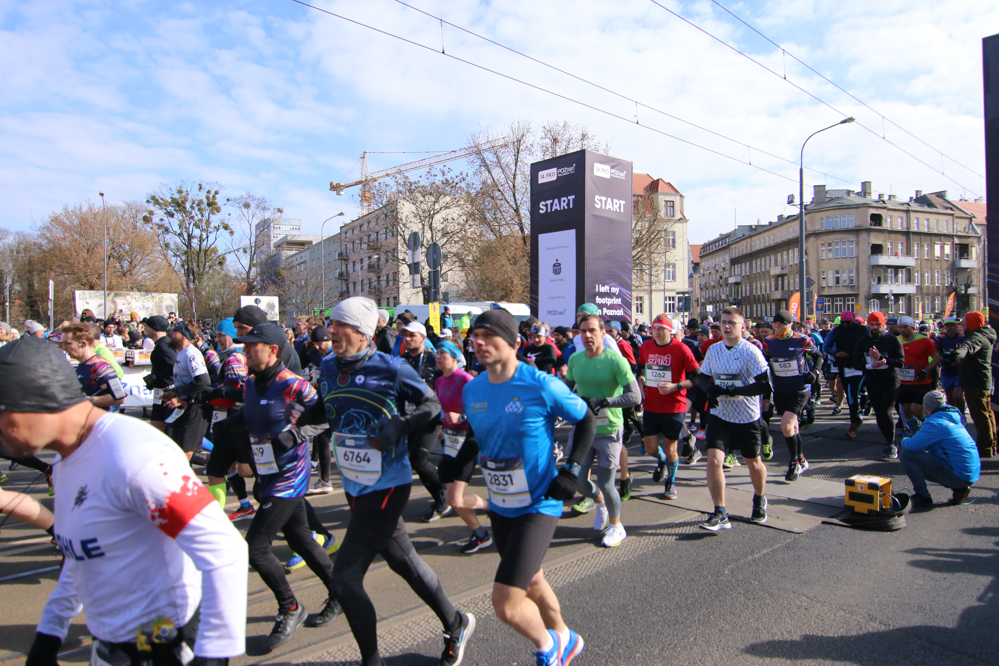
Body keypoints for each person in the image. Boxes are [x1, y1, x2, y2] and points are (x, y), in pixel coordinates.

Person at [4, 337, 247, 666]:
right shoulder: (63, 462)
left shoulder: (133, 455)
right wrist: (49, 636)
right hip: (111, 644)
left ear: (39, 399)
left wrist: (213, 654)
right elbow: (81, 556)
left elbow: (225, 550)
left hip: (168, 644)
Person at [289, 297, 475, 666]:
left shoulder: (391, 368)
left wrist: (400, 426)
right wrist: (301, 419)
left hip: (389, 484)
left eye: (340, 325)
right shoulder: (329, 366)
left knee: (344, 579)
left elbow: (432, 405)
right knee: (403, 562)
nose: (331, 331)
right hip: (355, 484)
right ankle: (456, 622)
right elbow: (327, 407)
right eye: (332, 324)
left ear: (362, 333)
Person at [457, 307, 593, 666]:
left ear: (513, 343)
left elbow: (586, 419)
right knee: (532, 581)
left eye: (488, 335)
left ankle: (548, 647)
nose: (479, 342)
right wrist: (456, 468)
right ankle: (565, 636)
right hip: (501, 504)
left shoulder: (540, 384)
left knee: (505, 602)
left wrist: (571, 470)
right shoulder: (473, 389)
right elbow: (475, 436)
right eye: (475, 336)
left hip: (539, 504)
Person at [212, 322, 336, 653]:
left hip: (289, 476)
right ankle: (341, 592)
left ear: (273, 350)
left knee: (255, 548)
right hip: (266, 473)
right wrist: (225, 427)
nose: (245, 351)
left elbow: (325, 418)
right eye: (243, 345)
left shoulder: (294, 385)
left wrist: (296, 435)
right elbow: (250, 416)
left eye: (251, 346)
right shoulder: (252, 383)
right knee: (301, 539)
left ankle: (290, 607)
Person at [565, 314, 640, 547]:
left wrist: (605, 401)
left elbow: (635, 397)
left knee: (607, 484)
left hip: (609, 430)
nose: (587, 335)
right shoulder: (575, 359)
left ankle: (617, 527)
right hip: (582, 429)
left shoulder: (615, 360)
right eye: (583, 331)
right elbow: (566, 391)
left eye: (592, 331)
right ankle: (600, 503)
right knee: (577, 481)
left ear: (603, 333)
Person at [695, 307, 771, 532]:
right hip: (720, 416)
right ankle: (720, 512)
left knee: (753, 463)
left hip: (747, 417)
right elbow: (702, 377)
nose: (727, 326)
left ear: (742, 327)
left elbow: (764, 385)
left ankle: (759, 498)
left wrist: (733, 391)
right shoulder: (714, 349)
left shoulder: (751, 351)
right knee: (713, 461)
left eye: (732, 323)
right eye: (723, 322)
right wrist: (711, 390)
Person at [434, 339, 492, 554]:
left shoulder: (466, 380)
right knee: (453, 499)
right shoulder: (439, 382)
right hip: (450, 442)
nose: (438, 356)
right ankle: (480, 535)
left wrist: (461, 417)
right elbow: (443, 409)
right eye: (437, 352)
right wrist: (442, 427)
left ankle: (493, 507)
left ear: (454, 357)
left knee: (455, 498)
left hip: (469, 439)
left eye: (443, 353)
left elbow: (485, 410)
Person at [638, 315, 700, 500]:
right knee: (650, 448)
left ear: (669, 330)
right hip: (651, 405)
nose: (656, 332)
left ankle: (671, 482)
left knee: (670, 448)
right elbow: (641, 366)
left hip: (674, 406)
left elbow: (697, 377)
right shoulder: (646, 346)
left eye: (660, 329)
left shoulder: (681, 349)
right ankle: (662, 460)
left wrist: (676, 386)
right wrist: (641, 380)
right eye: (654, 328)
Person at [202, 318, 255, 520]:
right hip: (226, 420)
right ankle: (240, 508)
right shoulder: (229, 355)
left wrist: (212, 393)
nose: (217, 340)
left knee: (250, 470)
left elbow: (236, 392)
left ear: (231, 336)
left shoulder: (234, 357)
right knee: (217, 468)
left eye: (220, 335)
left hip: (237, 420)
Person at [399, 320, 451, 522]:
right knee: (414, 460)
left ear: (423, 337)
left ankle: (443, 495)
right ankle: (440, 497)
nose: (407, 339)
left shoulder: (433, 357)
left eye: (412, 335)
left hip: (431, 415)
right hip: (410, 417)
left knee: (418, 460)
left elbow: (449, 379)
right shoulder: (401, 360)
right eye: (405, 335)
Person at [762, 310, 822, 481]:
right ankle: (801, 459)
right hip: (780, 388)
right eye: (775, 324)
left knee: (786, 426)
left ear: (790, 325)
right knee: (792, 428)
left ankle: (794, 463)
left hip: (800, 388)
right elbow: (764, 362)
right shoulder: (768, 342)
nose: (778, 327)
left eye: (782, 324)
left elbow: (818, 355)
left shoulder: (802, 339)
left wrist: (815, 373)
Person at [900, 390, 981, 507]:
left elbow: (912, 446)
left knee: (906, 455)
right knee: (928, 453)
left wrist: (904, 440)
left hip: (960, 476)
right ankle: (960, 489)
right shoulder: (951, 418)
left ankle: (923, 497)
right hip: (970, 473)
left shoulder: (935, 423)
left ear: (926, 407)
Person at [853, 311, 905, 459]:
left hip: (890, 380)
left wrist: (883, 359)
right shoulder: (863, 342)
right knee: (879, 413)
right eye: (872, 324)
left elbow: (900, 362)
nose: (875, 327)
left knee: (886, 411)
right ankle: (888, 440)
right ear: (868, 325)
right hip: (873, 380)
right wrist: (871, 366)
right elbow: (855, 363)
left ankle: (891, 444)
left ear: (883, 325)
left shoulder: (893, 340)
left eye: (878, 324)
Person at [161, 321, 211, 462]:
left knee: (185, 452)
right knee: (178, 450)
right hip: (185, 407)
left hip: (195, 407)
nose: (170, 333)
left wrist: (183, 398)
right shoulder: (181, 353)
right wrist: (175, 394)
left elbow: (203, 381)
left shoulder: (191, 353)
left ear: (184, 335)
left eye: (175, 331)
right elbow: (187, 381)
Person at [953, 311, 997, 458]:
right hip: (982, 381)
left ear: (971, 323)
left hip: (975, 383)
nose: (962, 325)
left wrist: (957, 354)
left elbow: (967, 347)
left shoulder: (976, 337)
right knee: (987, 414)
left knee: (981, 417)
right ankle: (991, 445)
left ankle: (985, 448)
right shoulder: (985, 334)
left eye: (964, 323)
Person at [59, 324, 127, 409]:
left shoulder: (100, 365)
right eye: (62, 344)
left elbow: (120, 398)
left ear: (83, 344)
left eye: (67, 343)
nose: (63, 347)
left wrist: (83, 400)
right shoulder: (83, 364)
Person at [827, 311, 870, 437]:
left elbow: (871, 343)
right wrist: (836, 353)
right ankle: (857, 417)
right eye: (843, 323)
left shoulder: (863, 330)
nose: (845, 325)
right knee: (849, 392)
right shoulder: (835, 332)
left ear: (853, 320)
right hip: (844, 366)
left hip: (859, 366)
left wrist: (866, 356)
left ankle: (854, 423)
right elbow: (826, 347)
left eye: (848, 322)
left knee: (853, 394)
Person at [896, 315, 941, 435]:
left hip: (921, 381)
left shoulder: (924, 340)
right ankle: (917, 435)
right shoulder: (896, 340)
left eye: (905, 327)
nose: (902, 330)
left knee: (916, 410)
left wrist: (926, 370)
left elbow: (937, 358)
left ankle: (933, 430)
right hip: (903, 382)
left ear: (913, 327)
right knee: (907, 411)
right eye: (900, 327)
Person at [233, 305, 306, 378]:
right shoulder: (258, 350)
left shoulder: (280, 347)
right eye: (237, 329)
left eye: (242, 328)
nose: (238, 334)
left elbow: (269, 382)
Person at [144, 315, 176, 432]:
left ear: (154, 328)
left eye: (147, 327)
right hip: (160, 393)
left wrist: (156, 376)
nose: (145, 329)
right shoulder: (161, 343)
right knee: (156, 431)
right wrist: (153, 380)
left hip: (167, 393)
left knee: (170, 432)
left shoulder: (163, 344)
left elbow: (174, 365)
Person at [935, 317, 965, 413]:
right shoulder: (940, 339)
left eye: (952, 325)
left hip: (960, 372)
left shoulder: (962, 337)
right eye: (947, 325)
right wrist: (943, 358)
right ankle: (953, 416)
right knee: (950, 398)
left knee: (957, 395)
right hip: (946, 372)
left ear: (956, 326)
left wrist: (960, 359)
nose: (950, 327)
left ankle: (962, 415)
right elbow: (935, 354)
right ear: (944, 327)